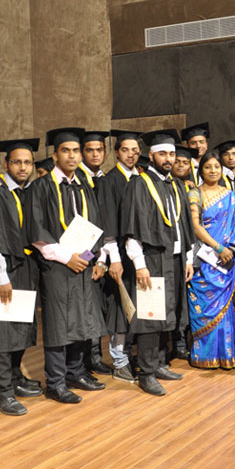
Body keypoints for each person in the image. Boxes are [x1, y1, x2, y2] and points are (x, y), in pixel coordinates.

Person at [25, 127, 107, 404]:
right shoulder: (40, 187)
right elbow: (36, 229)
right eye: (65, 151)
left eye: (75, 151)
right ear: (55, 155)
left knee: (82, 319)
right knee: (58, 324)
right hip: (56, 266)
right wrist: (66, 257)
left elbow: (95, 225)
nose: (71, 156)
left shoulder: (84, 185)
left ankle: (76, 372)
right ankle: (56, 382)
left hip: (82, 263)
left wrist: (89, 256)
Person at [121, 129, 195, 395]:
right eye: (162, 154)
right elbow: (132, 230)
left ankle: (161, 362)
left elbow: (184, 226)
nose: (168, 159)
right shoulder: (139, 185)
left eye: (171, 154)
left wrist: (188, 258)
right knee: (151, 318)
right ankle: (146, 372)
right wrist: (139, 264)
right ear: (151, 156)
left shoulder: (176, 185)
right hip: (152, 260)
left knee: (170, 312)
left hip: (175, 259)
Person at [187, 152, 235, 369]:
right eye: (208, 167)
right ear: (201, 171)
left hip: (226, 262)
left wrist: (231, 249)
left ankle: (225, 355)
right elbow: (195, 226)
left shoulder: (229, 195)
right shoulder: (195, 194)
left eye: (216, 166)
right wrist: (218, 247)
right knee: (203, 308)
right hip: (204, 259)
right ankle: (203, 356)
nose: (213, 170)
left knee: (225, 310)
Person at [0, 138, 42, 416]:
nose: (23, 167)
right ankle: (3, 392)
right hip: (7, 270)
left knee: (21, 327)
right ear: (6, 164)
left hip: (26, 267)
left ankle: (15, 377)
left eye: (27, 162)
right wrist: (1, 277)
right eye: (17, 162)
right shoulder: (1, 193)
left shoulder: (27, 193)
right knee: (5, 333)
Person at [97, 129, 141, 383]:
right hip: (119, 256)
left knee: (135, 307)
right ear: (116, 153)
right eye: (125, 150)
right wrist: (112, 258)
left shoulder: (141, 179)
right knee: (120, 309)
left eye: (135, 151)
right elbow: (107, 224)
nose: (130, 155)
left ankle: (130, 355)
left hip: (137, 255)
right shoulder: (110, 181)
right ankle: (119, 361)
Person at [76, 130, 113, 376]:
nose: (95, 154)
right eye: (90, 150)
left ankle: (96, 356)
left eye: (99, 150)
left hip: (101, 255)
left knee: (97, 309)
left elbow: (105, 223)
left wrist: (102, 259)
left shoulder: (104, 180)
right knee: (83, 311)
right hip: (80, 257)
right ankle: (81, 363)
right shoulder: (77, 181)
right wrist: (91, 259)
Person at [181, 122, 210, 187]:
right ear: (187, 146)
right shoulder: (183, 166)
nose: (198, 146)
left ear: (206, 144)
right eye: (193, 143)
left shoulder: (212, 165)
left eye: (201, 142)